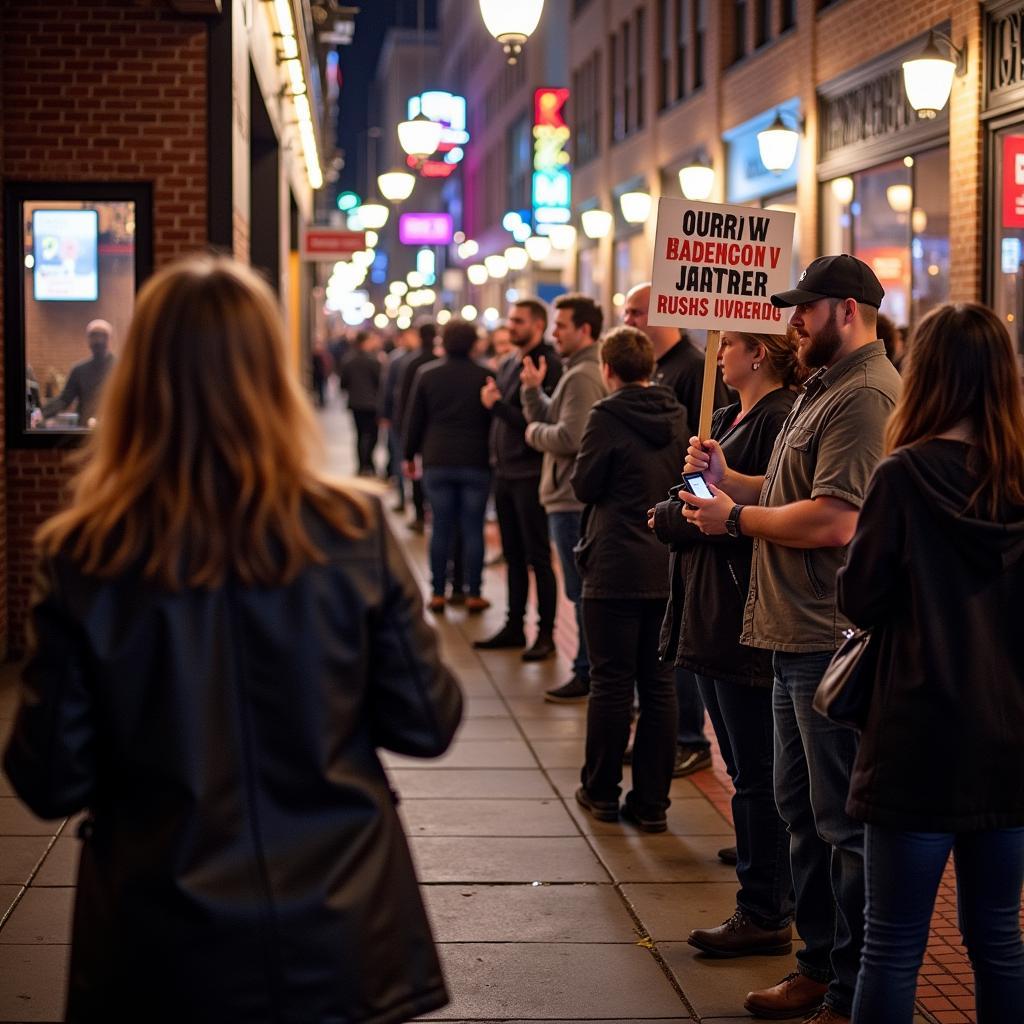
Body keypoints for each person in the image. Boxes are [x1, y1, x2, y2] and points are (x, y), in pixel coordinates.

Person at [2, 255, 463, 1024]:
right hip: (339, 925)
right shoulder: (350, 530)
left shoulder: (85, 554)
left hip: (161, 939)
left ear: (136, 377)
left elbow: (50, 776)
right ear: (270, 375)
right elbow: (426, 720)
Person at [682, 255, 902, 1024]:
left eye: (804, 311)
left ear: (844, 310)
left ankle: (850, 985)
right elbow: (789, 493)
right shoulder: (824, 387)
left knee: (838, 822)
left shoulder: (866, 395)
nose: (792, 323)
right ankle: (815, 963)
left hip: (823, 635)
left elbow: (836, 520)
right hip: (786, 631)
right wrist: (729, 478)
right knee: (799, 808)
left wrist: (734, 519)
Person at [835, 302, 1024, 1023]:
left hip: (916, 738)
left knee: (892, 944)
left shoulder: (903, 476)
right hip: (1009, 741)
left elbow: (860, 597)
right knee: (1000, 940)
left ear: (928, 375)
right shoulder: (1020, 479)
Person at [653, 331, 803, 957]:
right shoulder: (721, 415)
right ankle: (761, 882)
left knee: (760, 775)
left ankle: (765, 907)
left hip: (744, 612)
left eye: (728, 345)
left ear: (757, 354)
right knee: (745, 770)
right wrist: (679, 509)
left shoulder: (778, 419)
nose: (718, 355)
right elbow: (687, 496)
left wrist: (681, 515)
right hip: (708, 610)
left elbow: (729, 515)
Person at [571, 326, 687, 833]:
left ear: (609, 369)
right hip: (664, 563)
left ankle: (600, 792)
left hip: (615, 564)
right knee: (660, 687)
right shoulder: (680, 413)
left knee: (611, 683)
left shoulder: (605, 416)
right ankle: (652, 805)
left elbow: (585, 483)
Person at [623, 282, 731, 777]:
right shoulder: (662, 368)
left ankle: (688, 737)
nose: (627, 319)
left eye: (635, 310)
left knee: (685, 639)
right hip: (671, 512)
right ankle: (667, 731)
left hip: (696, 514)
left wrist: (694, 500)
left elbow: (707, 447)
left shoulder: (695, 368)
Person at [522, 293, 606, 703]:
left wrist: (532, 435)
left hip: (571, 499)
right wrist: (532, 393)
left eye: (561, 326)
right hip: (564, 496)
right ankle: (588, 669)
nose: (554, 333)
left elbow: (570, 437)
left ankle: (587, 671)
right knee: (579, 590)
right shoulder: (576, 371)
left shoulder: (583, 375)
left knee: (581, 591)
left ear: (584, 330)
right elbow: (552, 415)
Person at [475, 298, 561, 661]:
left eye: (519, 321)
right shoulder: (510, 361)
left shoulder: (548, 364)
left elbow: (535, 423)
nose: (511, 326)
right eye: (510, 320)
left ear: (537, 325)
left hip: (529, 472)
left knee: (538, 556)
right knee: (512, 553)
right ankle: (514, 624)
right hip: (506, 471)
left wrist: (495, 405)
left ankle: (545, 633)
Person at [403, 318, 493, 615]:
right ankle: (474, 592)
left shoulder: (427, 375)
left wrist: (408, 455)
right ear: (473, 343)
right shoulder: (485, 375)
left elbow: (415, 419)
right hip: (475, 460)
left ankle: (438, 592)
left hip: (437, 459)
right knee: (472, 528)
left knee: (440, 527)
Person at [396, 322, 440, 533]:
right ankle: (431, 509)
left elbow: (405, 399)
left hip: (419, 425)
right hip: (436, 429)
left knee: (417, 472)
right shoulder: (438, 361)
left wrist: (404, 428)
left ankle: (420, 515)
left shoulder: (412, 363)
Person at [36, 318, 116, 427]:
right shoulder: (79, 370)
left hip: (113, 430)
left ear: (109, 339)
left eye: (102, 335)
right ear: (88, 339)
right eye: (94, 336)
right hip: (84, 431)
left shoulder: (120, 368)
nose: (98, 340)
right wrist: (40, 413)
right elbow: (64, 399)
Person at [380, 326, 422, 513]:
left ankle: (416, 501)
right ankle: (402, 497)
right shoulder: (396, 360)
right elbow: (388, 389)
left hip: (411, 419)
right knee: (399, 459)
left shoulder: (415, 359)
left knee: (412, 461)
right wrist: (385, 414)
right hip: (399, 419)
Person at [338, 330, 383, 475]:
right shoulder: (374, 361)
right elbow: (380, 382)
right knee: (372, 435)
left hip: (356, 403)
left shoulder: (348, 360)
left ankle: (361, 465)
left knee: (359, 434)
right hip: (371, 404)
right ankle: (368, 463)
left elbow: (343, 383)